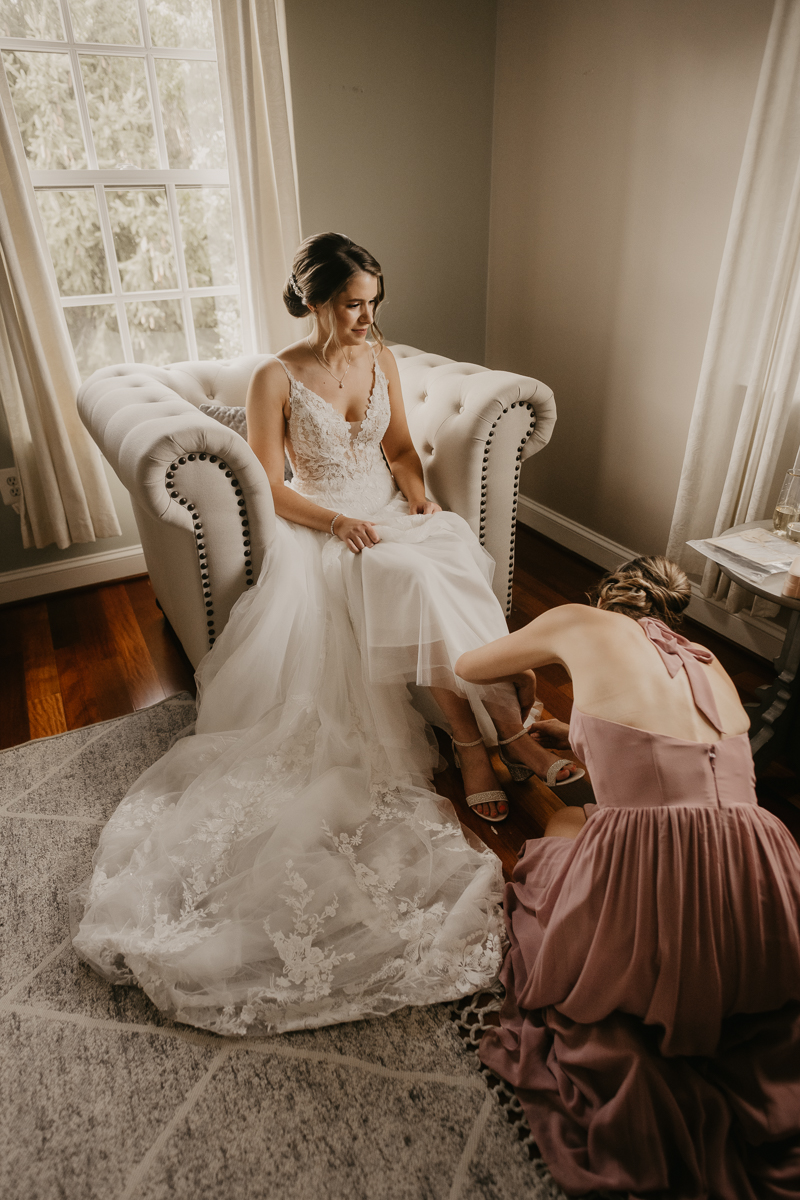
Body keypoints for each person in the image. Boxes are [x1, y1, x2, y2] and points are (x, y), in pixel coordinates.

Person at [70, 232, 580, 1037]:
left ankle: (504, 726)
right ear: (314, 301)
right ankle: (481, 739)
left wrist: (418, 500)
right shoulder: (277, 375)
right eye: (352, 304)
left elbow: (403, 449)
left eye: (374, 304)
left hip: (386, 515)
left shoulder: (379, 357)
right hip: (327, 530)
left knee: (451, 554)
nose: (365, 318)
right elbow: (271, 487)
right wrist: (342, 521)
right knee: (411, 579)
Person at [455, 556, 800, 1199]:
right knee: (593, 820)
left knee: (559, 833)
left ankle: (656, 971)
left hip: (661, 865)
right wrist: (577, 729)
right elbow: (669, 753)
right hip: (762, 866)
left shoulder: (575, 621)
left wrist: (534, 666)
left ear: (605, 597)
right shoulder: (705, 658)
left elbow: (468, 666)